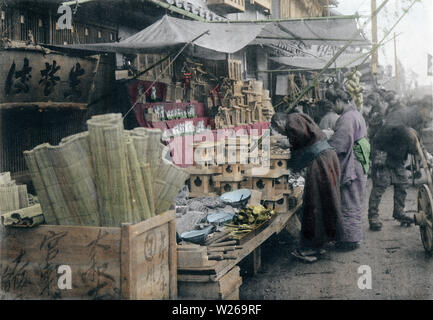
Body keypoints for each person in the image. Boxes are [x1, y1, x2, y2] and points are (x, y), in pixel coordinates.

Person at [271, 112, 343, 262]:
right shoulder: (298, 117)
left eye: (279, 130)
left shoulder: (291, 121)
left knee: (314, 202)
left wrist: (290, 145)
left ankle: (311, 247)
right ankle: (319, 244)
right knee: (324, 201)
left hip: (320, 161)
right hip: (327, 157)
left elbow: (299, 139)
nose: (282, 132)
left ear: (279, 123)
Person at [368, 96, 433, 230]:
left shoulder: (418, 119)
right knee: (380, 185)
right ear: (424, 108)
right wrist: (406, 131)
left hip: (397, 154)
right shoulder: (404, 113)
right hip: (383, 151)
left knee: (402, 183)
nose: (431, 116)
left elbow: (416, 140)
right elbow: (392, 127)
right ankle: (373, 216)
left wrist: (425, 154)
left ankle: (399, 213)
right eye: (431, 111)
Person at [327, 85, 369, 251]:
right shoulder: (355, 114)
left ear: (338, 101)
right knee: (354, 200)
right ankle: (352, 237)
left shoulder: (347, 118)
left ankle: (349, 240)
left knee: (348, 201)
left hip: (353, 164)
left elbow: (340, 145)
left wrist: (328, 144)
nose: (332, 108)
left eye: (333, 104)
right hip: (359, 161)